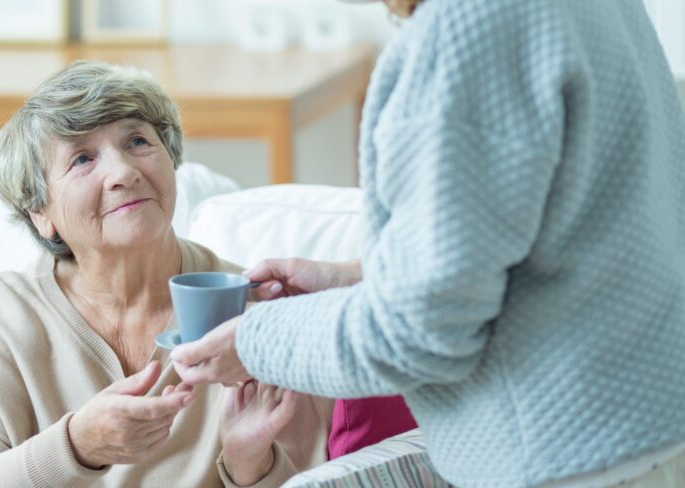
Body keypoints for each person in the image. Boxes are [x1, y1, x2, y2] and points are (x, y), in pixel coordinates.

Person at [171, 0, 685, 486]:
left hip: (562, 458)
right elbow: (548, 224)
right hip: (645, 428)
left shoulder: (467, 33)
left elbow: (418, 334)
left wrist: (254, 343)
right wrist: (357, 277)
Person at [0, 60, 332, 488]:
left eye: (137, 141)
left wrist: (248, 464)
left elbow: (322, 478)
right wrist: (76, 446)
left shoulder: (253, 309)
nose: (123, 172)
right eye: (82, 159)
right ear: (40, 213)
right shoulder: (4, 315)